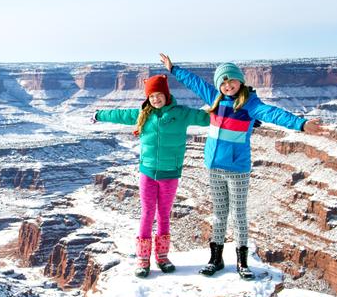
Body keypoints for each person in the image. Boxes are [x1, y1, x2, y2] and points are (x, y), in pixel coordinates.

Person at [159, 53, 325, 279]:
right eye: (223, 82)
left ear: (240, 81)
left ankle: (242, 263)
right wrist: (174, 69)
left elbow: (273, 114)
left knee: (238, 215)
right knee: (219, 215)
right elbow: (195, 83)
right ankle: (215, 260)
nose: (228, 86)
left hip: (237, 169)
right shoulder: (215, 97)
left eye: (232, 81)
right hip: (214, 167)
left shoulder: (249, 104)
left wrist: (301, 124)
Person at [93, 74, 210, 278]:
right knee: (147, 214)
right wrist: (99, 114)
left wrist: (239, 117)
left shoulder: (181, 114)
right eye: (152, 96)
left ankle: (162, 257)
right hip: (147, 172)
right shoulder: (142, 114)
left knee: (164, 214)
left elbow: (207, 117)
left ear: (166, 95)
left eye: (159, 95)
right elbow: (119, 115)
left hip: (170, 173)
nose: (155, 99)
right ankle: (143, 259)